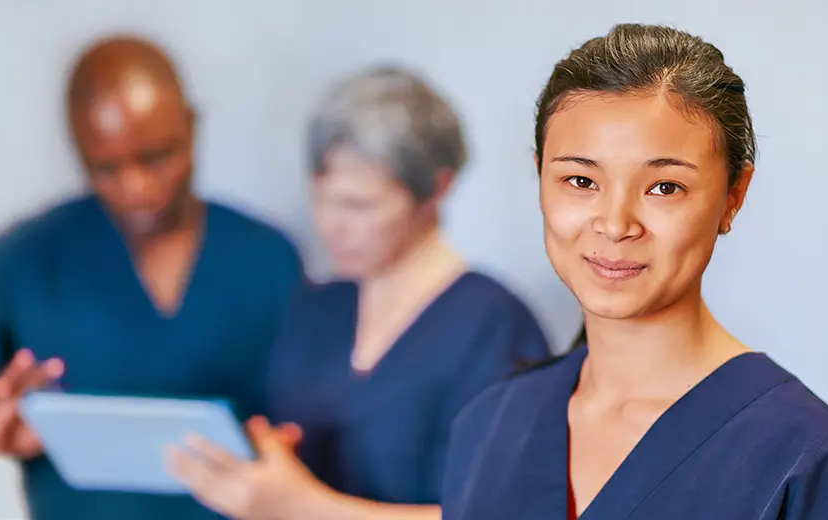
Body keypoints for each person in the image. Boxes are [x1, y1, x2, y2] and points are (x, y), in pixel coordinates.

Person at [440, 24, 828, 520]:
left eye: (664, 187)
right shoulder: (489, 424)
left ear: (734, 194)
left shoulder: (817, 471)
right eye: (580, 180)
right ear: (540, 178)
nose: (616, 224)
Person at [167, 66, 552, 520]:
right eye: (321, 197)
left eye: (358, 205)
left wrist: (305, 508)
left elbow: (508, 513)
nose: (330, 223)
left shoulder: (495, 329)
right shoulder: (315, 309)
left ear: (437, 189)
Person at [0, 36, 306, 520]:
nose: (137, 189)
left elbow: (320, 434)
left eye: (157, 157)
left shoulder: (268, 259)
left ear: (192, 127)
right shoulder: (20, 266)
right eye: (106, 169)